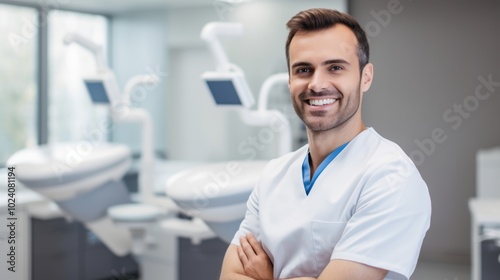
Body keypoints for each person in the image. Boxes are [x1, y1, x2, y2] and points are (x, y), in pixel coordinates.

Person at [219, 8, 431, 280]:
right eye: (304, 70)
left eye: (335, 67)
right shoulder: (274, 175)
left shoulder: (390, 178)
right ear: (290, 81)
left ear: (365, 77)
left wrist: (268, 277)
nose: (317, 85)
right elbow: (230, 274)